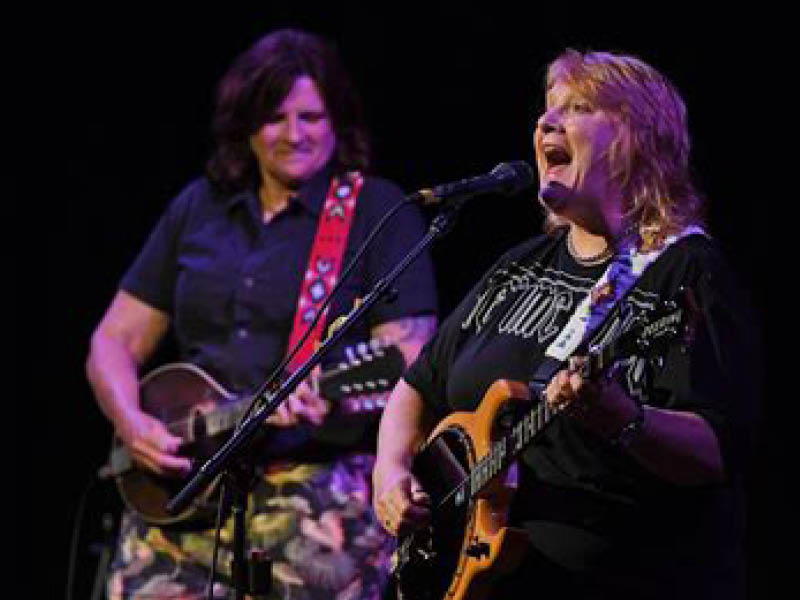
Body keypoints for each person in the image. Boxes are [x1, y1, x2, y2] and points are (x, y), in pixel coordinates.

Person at [373, 49, 759, 599]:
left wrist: (622, 418)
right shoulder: (521, 265)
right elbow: (417, 386)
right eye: (547, 109)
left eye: (577, 107)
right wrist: (390, 474)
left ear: (637, 142)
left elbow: (719, 450)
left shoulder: (689, 274)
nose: (546, 122)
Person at [86, 29, 437, 599]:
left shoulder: (378, 211)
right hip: (181, 498)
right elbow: (114, 340)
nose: (294, 135)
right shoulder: (199, 207)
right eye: (275, 118)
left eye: (312, 118)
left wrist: (334, 398)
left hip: (318, 496)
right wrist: (132, 422)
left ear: (337, 122)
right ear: (245, 126)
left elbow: (413, 358)